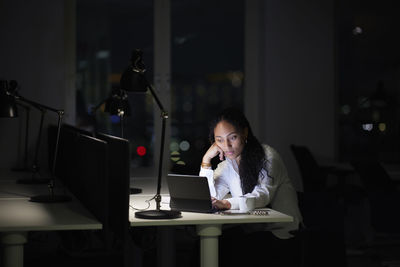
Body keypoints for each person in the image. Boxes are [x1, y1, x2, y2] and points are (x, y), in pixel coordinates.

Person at [199, 107, 303, 267]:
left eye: (232, 137)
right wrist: (206, 160)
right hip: (253, 230)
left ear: (245, 133)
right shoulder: (227, 165)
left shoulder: (267, 157)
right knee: (204, 247)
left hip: (281, 233)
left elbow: (261, 195)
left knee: (230, 250)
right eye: (219, 140)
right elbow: (208, 196)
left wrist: (227, 204)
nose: (226, 146)